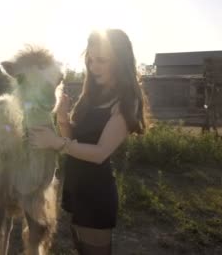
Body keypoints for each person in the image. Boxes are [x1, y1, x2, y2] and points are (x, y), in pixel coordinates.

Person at [29, 29, 149, 254]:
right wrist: (63, 118)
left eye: (101, 60)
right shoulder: (93, 95)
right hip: (78, 188)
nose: (93, 67)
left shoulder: (125, 103)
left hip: (97, 195)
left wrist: (54, 142)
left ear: (120, 61)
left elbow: (100, 152)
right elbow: (73, 139)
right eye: (90, 60)